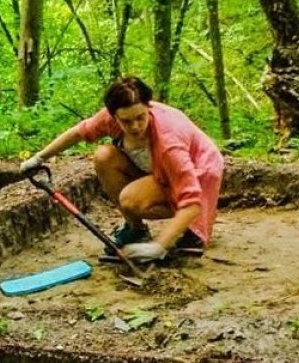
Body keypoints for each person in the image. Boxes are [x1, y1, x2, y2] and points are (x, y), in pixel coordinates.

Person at [20, 76, 223, 263]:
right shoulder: (109, 118)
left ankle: (190, 234)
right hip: (156, 166)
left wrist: (159, 246)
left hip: (200, 169)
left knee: (131, 199)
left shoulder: (170, 142)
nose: (135, 126)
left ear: (148, 107)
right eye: (126, 121)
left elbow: (192, 201)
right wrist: (38, 158)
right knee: (104, 156)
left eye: (140, 117)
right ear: (114, 116)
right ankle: (136, 229)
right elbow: (78, 133)